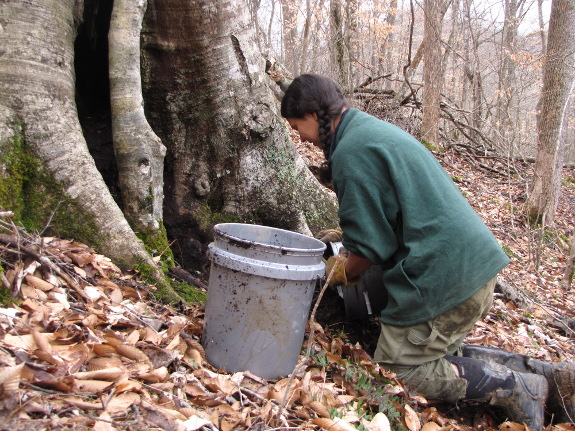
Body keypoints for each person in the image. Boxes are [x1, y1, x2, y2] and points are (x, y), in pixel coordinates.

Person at [281, 74, 574, 429]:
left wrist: (342, 269)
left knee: (397, 369)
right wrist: (350, 233)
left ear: (314, 115)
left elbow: (372, 248)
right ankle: (546, 375)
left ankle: (516, 385)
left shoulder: (351, 152)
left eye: (298, 127)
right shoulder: (366, 130)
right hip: (471, 267)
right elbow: (393, 208)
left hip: (446, 278)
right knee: (430, 351)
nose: (300, 137)